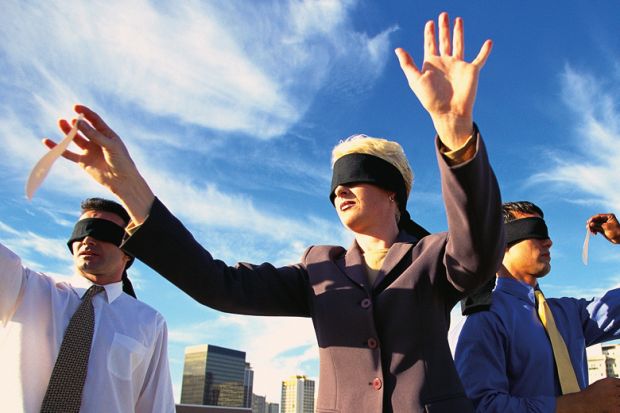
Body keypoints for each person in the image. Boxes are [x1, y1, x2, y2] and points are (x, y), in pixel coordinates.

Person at [46, 12, 503, 413]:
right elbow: (217, 284)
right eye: (334, 183)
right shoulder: (318, 268)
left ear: (392, 194)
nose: (340, 189)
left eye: (355, 177)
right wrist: (127, 186)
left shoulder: (433, 256)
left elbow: (479, 252)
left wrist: (455, 132)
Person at [0, 198, 175, 413]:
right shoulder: (24, 288)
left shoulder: (149, 322)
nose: (88, 239)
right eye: (80, 232)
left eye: (103, 232)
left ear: (128, 250)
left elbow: (156, 405)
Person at [454, 201, 620, 413]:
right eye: (535, 232)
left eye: (546, 234)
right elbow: (481, 406)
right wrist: (580, 404)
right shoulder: (484, 319)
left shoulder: (571, 315)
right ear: (501, 243)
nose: (549, 242)